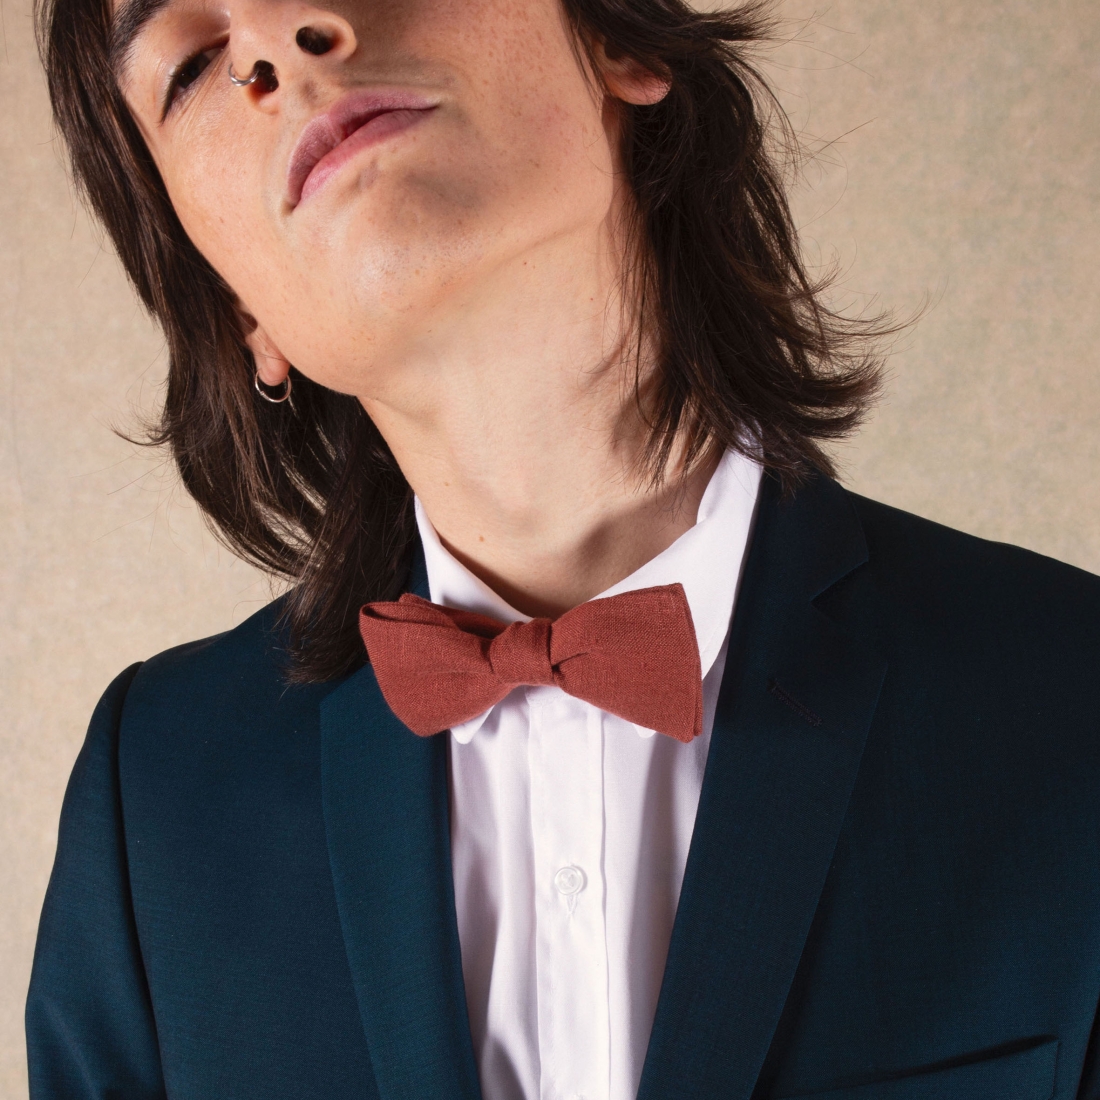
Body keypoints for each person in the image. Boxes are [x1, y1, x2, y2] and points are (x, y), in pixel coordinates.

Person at [24, 0, 1100, 1095]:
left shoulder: (1075, 703)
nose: (270, 37)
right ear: (238, 313)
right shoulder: (154, 804)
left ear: (618, 43)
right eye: (192, 63)